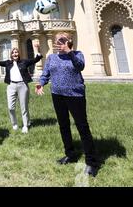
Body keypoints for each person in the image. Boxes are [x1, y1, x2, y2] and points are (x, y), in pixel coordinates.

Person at [36, 32, 100, 177]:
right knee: (63, 125)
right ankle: (70, 154)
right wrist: (41, 83)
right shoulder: (52, 57)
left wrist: (69, 52)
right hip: (57, 95)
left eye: (63, 39)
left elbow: (80, 66)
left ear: (69, 41)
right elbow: (46, 73)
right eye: (58, 40)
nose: (60, 42)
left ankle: (92, 162)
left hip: (75, 95)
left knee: (82, 127)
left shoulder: (77, 54)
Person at [0, 45, 43, 133]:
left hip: (22, 86)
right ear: (11, 55)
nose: (15, 54)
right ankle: (14, 124)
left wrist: (37, 50)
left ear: (19, 54)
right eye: (13, 52)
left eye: (16, 52)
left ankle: (25, 125)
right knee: (10, 107)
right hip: (11, 86)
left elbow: (35, 60)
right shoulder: (7, 63)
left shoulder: (24, 62)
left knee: (24, 107)